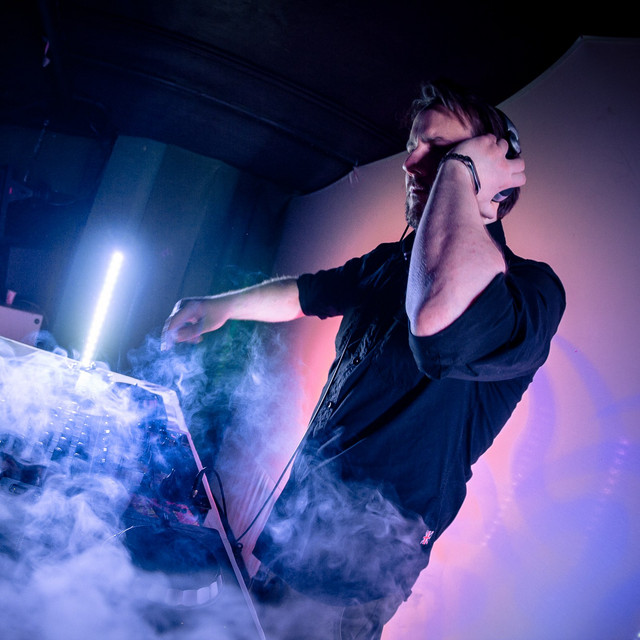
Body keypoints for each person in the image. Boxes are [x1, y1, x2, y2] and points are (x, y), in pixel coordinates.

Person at [162, 81, 566, 639]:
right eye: (414, 145)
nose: (411, 162)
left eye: (442, 151)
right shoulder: (390, 263)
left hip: (362, 558)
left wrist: (461, 175)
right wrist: (221, 306)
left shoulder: (531, 290)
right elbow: (305, 293)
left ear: (494, 169)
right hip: (304, 520)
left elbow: (438, 328)